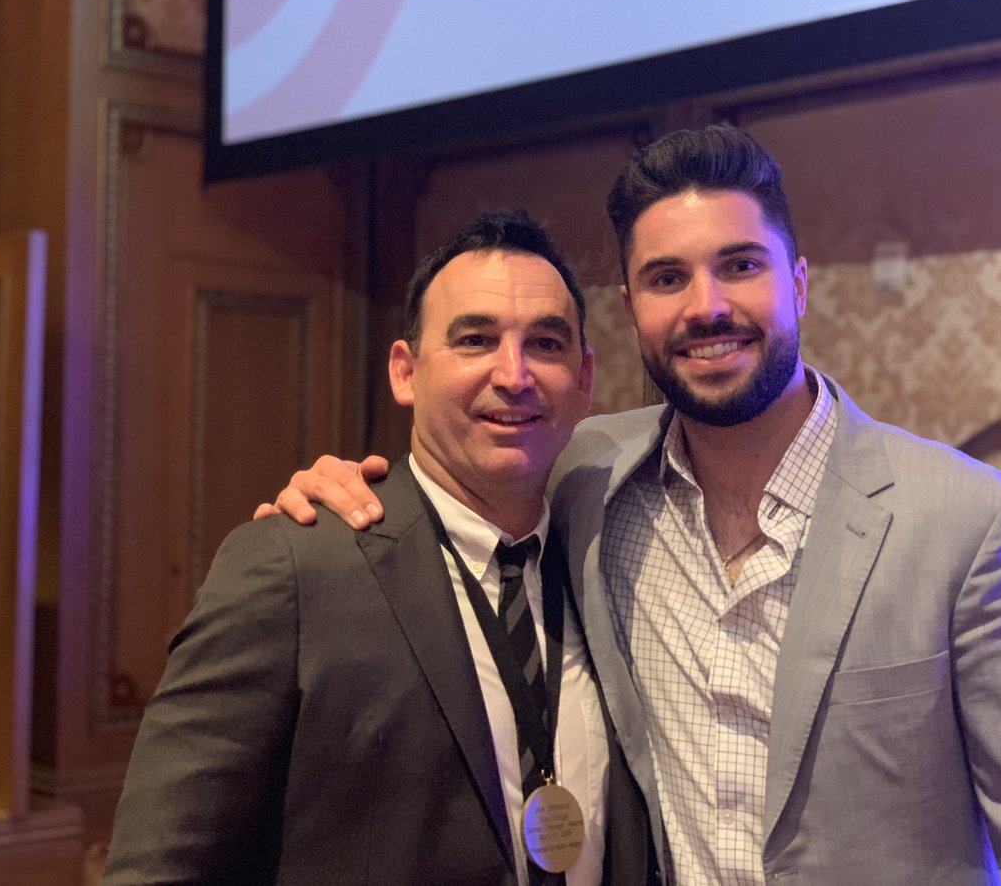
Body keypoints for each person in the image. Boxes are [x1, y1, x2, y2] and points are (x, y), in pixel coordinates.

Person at [263, 127, 1001, 884]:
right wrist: (340, 494)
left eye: (740, 266)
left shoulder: (975, 526)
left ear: (798, 282)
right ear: (630, 311)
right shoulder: (588, 480)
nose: (707, 306)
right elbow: (458, 476)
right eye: (667, 278)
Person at [104, 210, 660, 886]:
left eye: (545, 343)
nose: (514, 374)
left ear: (584, 378)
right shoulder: (293, 565)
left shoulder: (609, 561)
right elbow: (161, 865)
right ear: (405, 371)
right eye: (476, 339)